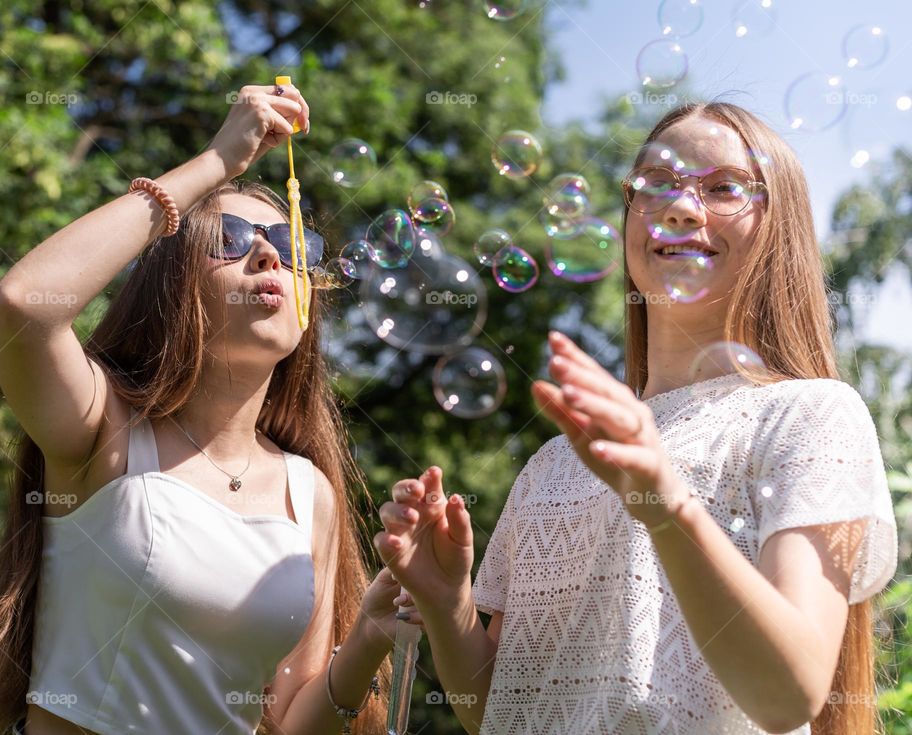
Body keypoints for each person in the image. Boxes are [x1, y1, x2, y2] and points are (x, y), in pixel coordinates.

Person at [374, 102, 898, 735]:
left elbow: (789, 695)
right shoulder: (555, 461)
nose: (680, 206)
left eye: (724, 188)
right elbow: (503, 707)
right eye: (655, 184)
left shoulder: (808, 416)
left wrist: (664, 500)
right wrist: (447, 603)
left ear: (777, 226)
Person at [0, 82, 416, 735]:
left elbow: (287, 718)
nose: (267, 254)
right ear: (174, 281)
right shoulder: (106, 429)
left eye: (290, 246)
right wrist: (218, 162)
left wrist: (369, 629)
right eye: (229, 236)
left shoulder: (307, 492)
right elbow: (26, 305)